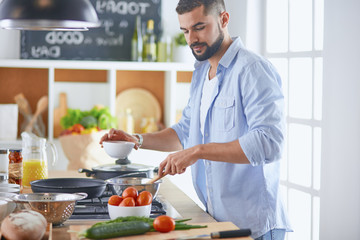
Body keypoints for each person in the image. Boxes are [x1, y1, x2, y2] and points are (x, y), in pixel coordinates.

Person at [100, 0, 292, 239]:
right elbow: (186, 131)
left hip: (254, 226)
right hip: (216, 220)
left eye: (199, 27)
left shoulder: (252, 69)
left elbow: (269, 143)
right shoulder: (202, 71)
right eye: (185, 31)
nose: (192, 39)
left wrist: (197, 151)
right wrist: (136, 139)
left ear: (224, 20)